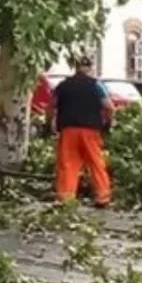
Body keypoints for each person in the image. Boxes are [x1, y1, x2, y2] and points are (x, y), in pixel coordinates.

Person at [50, 56, 113, 207]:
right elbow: (109, 106)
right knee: (95, 161)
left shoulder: (62, 85)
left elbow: (51, 106)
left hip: (68, 129)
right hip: (90, 130)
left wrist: (49, 123)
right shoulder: (96, 85)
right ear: (90, 68)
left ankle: (66, 198)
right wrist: (108, 122)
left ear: (75, 67)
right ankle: (102, 196)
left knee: (67, 163)